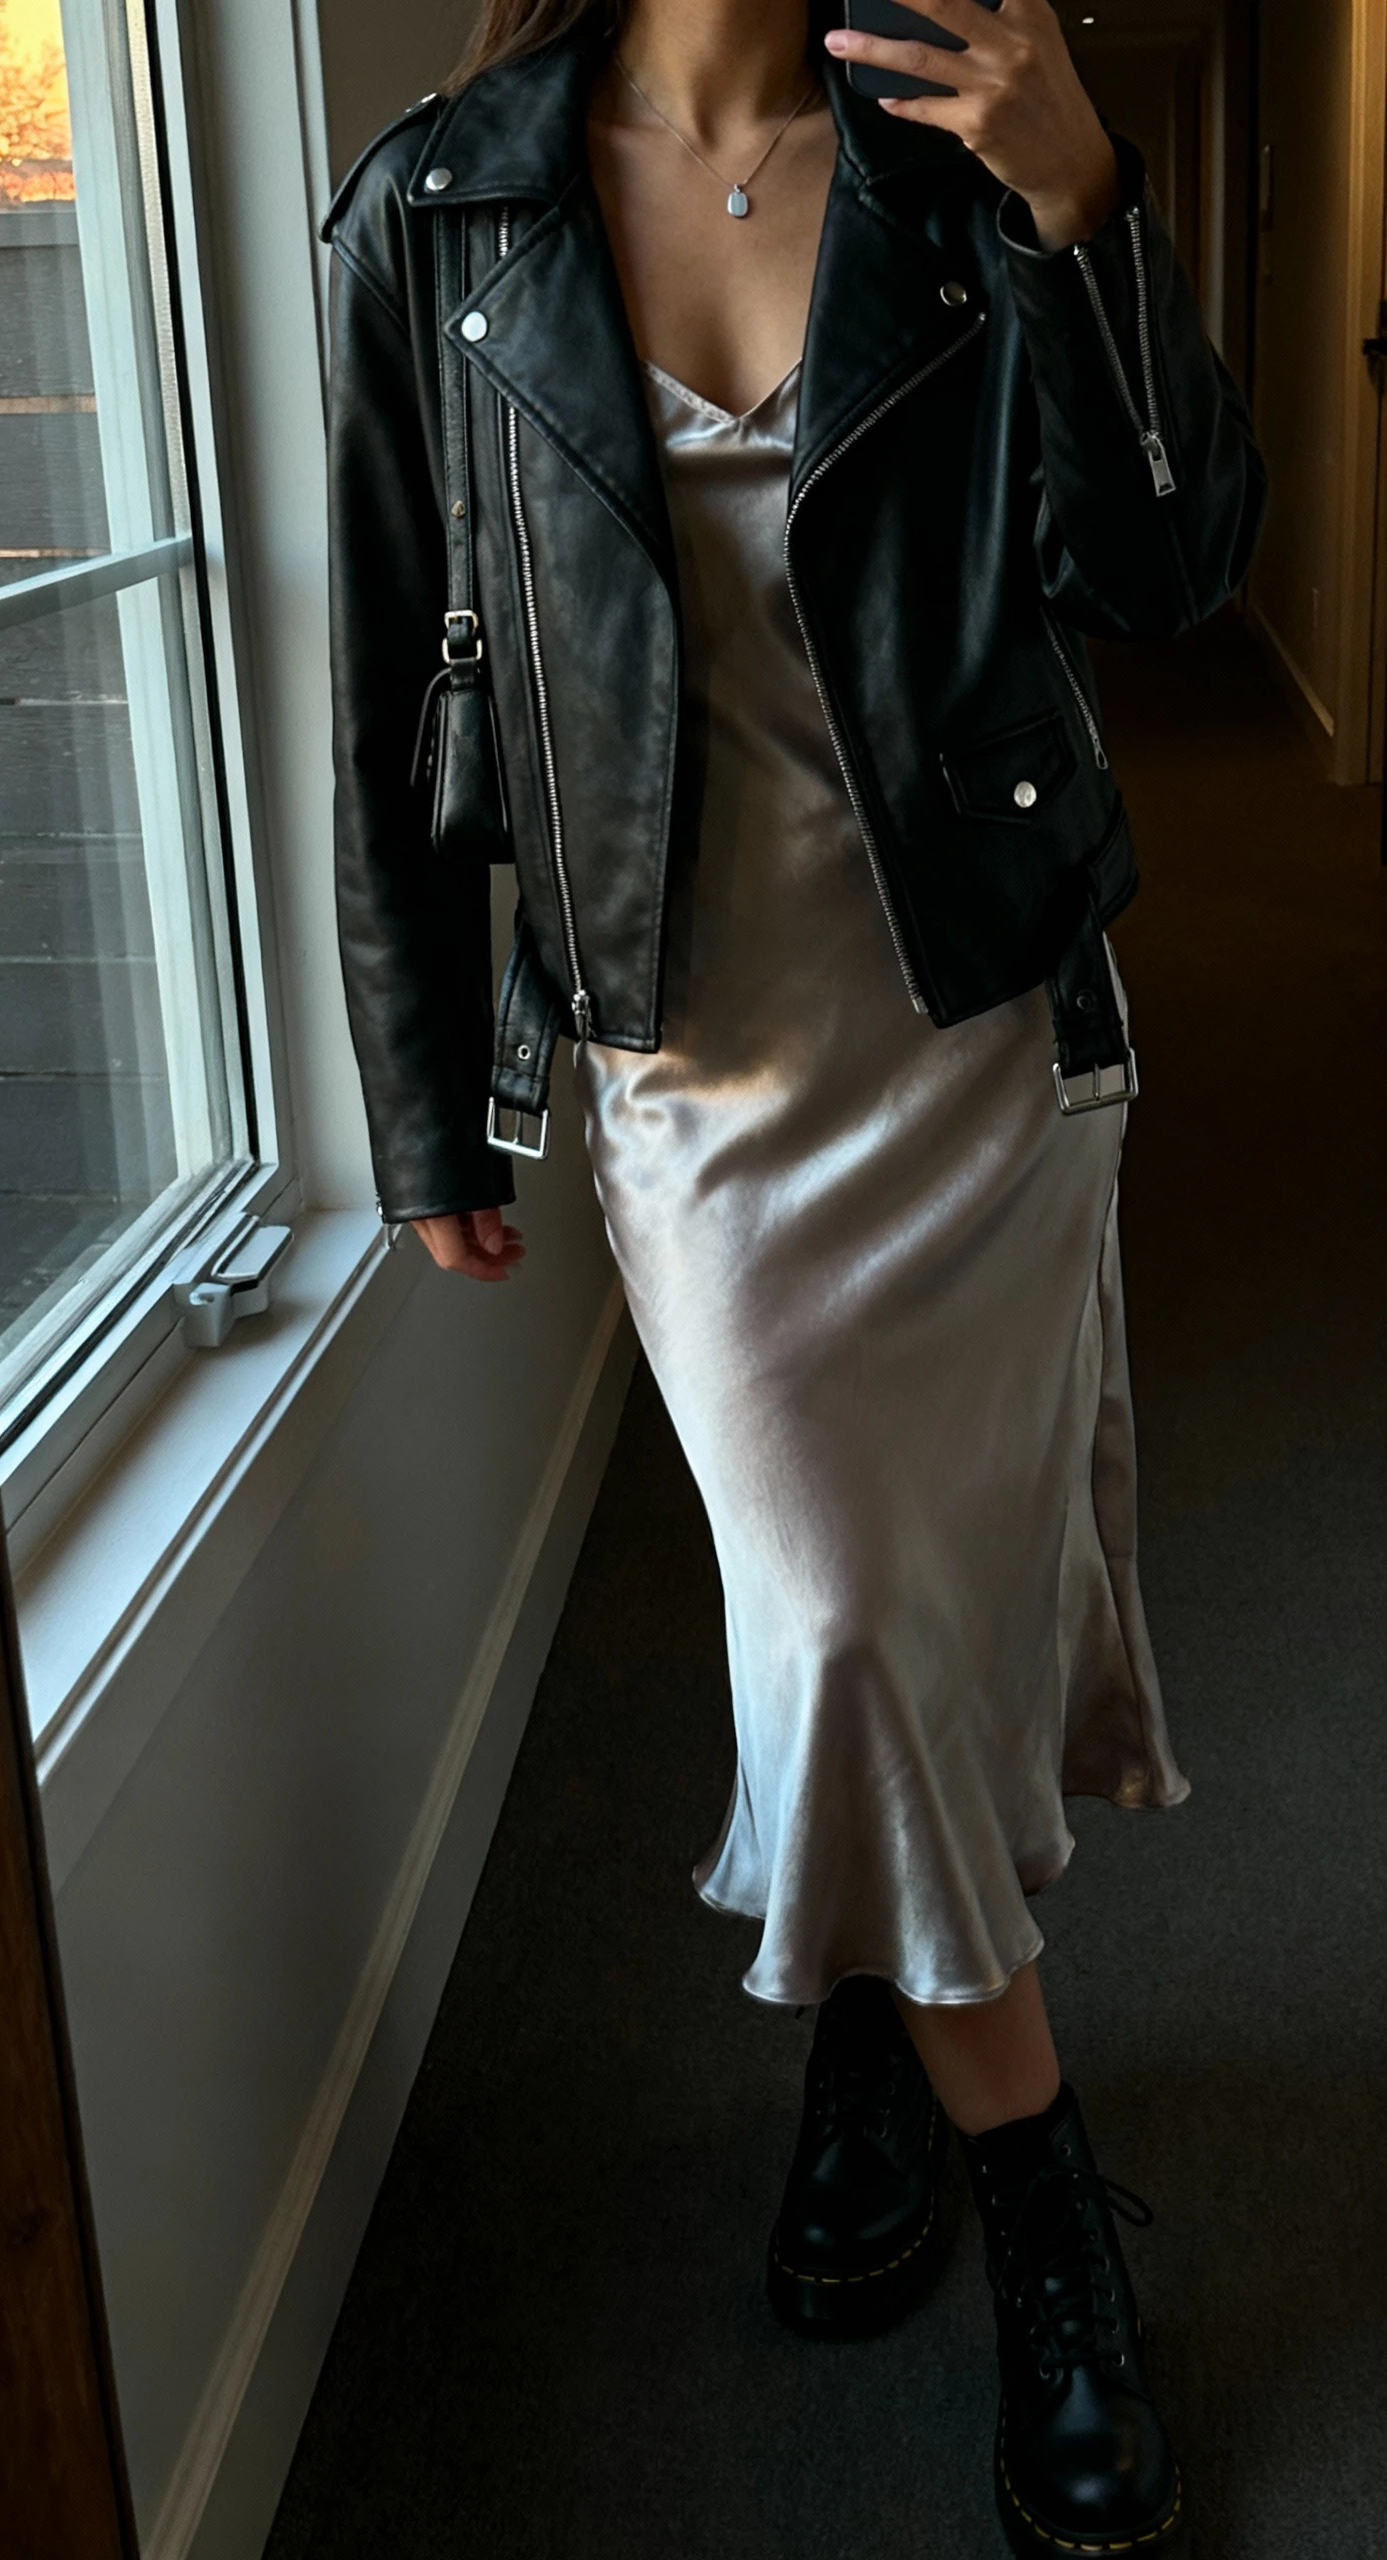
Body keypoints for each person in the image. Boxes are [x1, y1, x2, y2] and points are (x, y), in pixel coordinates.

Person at [323, 3, 1262, 2549]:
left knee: (911, 1622)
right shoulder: (446, 204)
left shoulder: (972, 150)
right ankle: (1054, 2214)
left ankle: (869, 2029)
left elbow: (1173, 574)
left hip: (983, 1038)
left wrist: (1089, 207)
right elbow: (394, 671)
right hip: (706, 1090)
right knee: (843, 1622)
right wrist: (426, 1097)